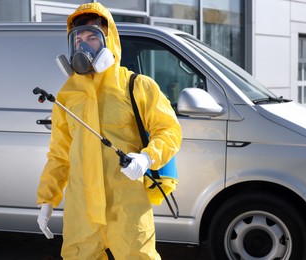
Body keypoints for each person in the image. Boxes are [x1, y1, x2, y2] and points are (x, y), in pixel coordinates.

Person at [36, 2, 182, 260]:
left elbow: (169, 130)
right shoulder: (67, 95)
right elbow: (59, 154)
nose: (83, 44)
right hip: (82, 211)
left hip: (127, 206)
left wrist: (146, 158)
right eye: (78, 38)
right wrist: (47, 200)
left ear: (109, 40)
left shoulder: (136, 86)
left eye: (92, 37)